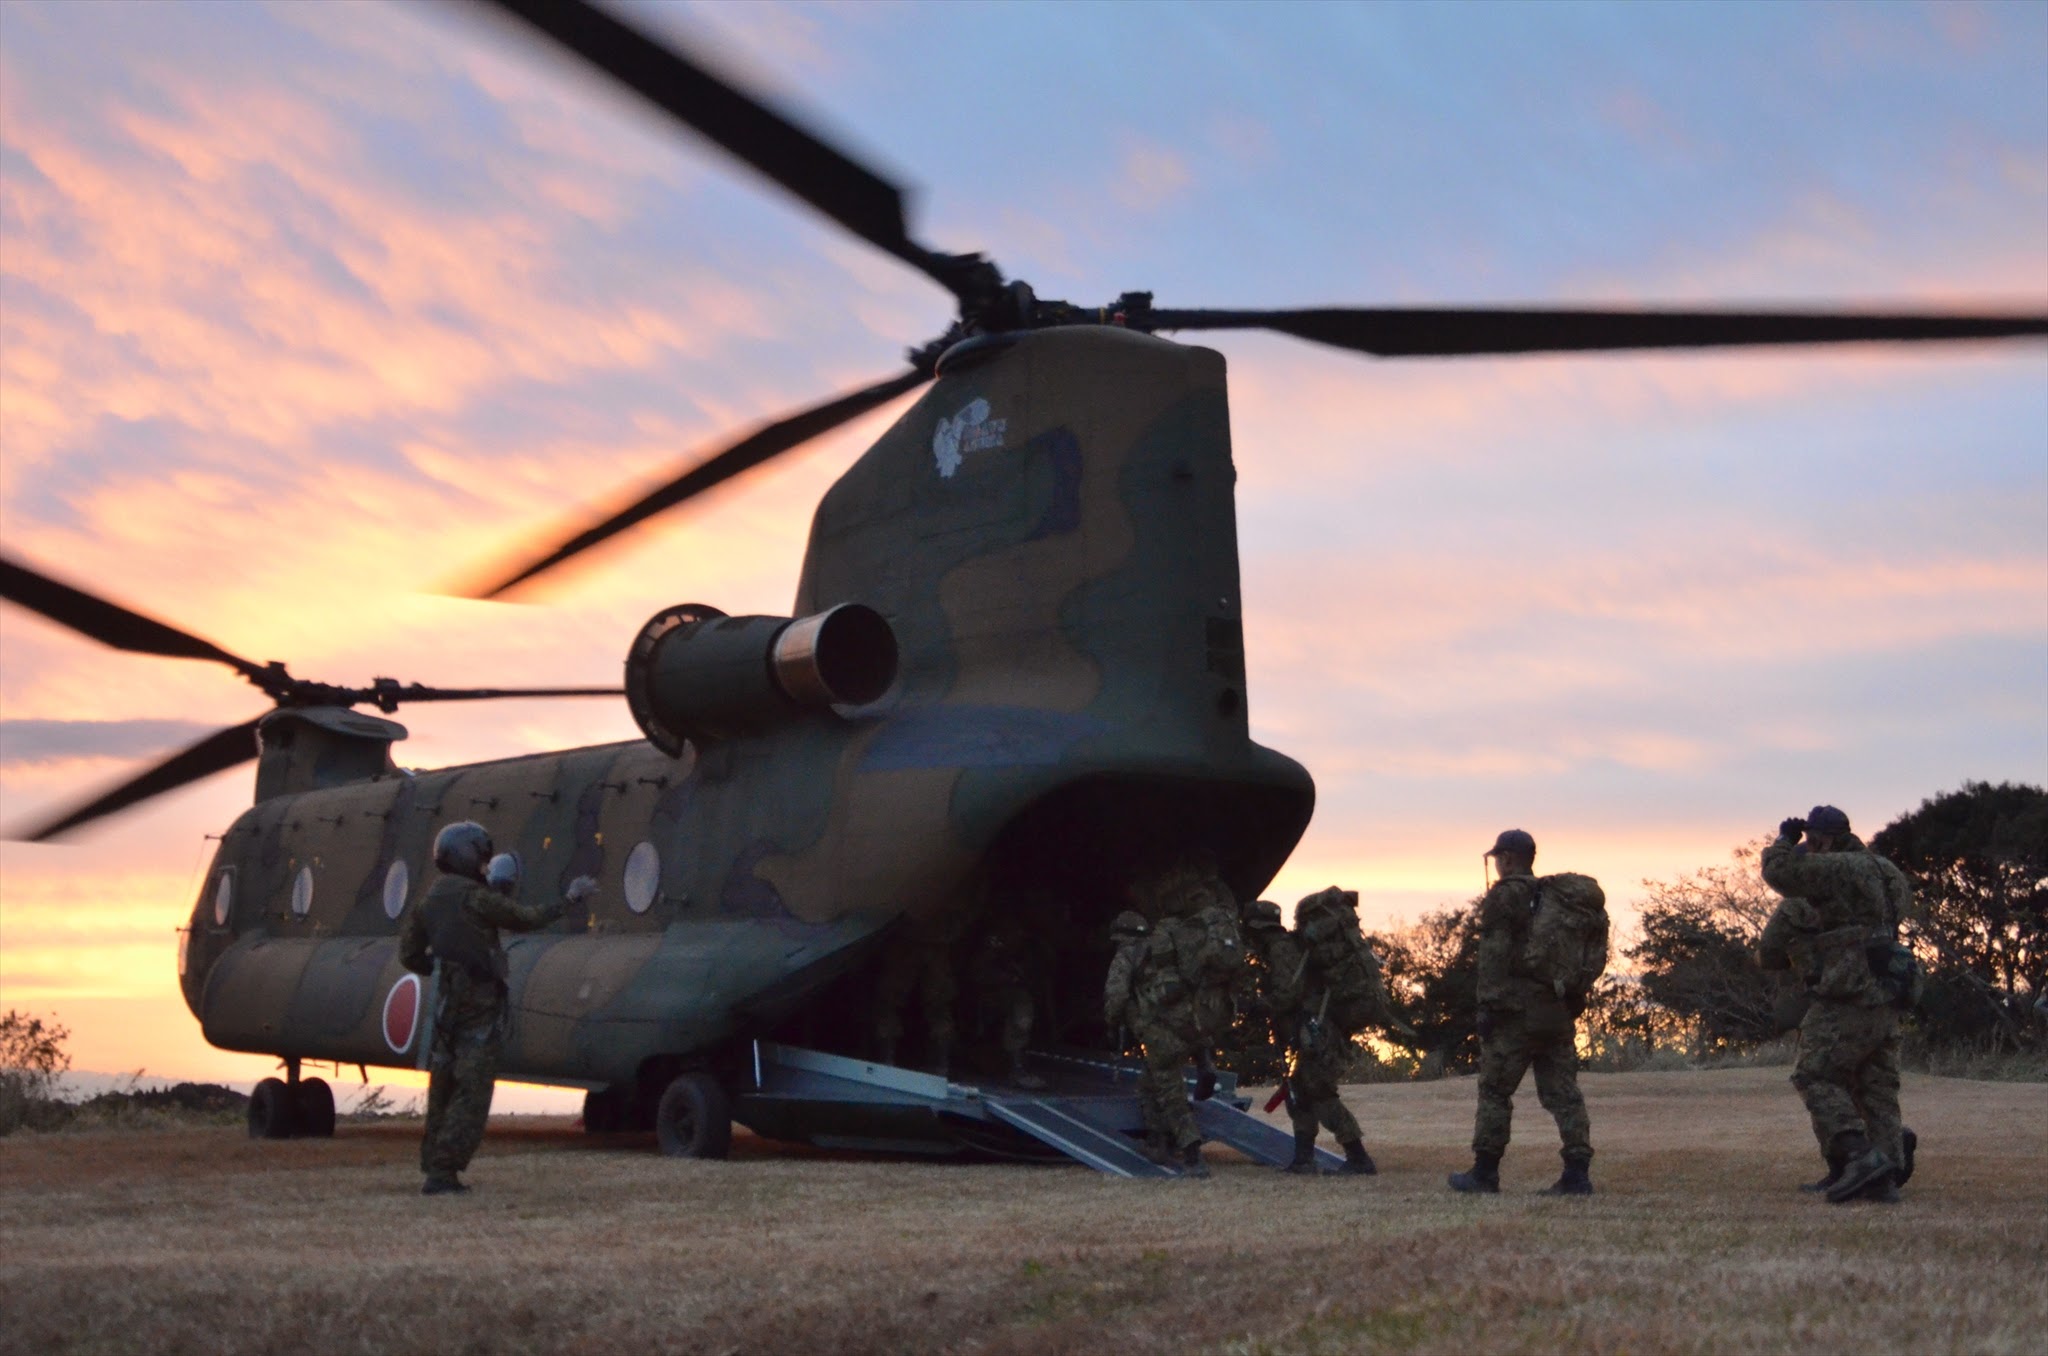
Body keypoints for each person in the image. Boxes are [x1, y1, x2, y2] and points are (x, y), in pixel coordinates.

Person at [399, 821, 596, 1196]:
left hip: (443, 1008)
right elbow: (525, 918)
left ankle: (435, 1167)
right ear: (469, 856)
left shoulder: (429, 902)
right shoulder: (476, 898)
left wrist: (443, 970)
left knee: (442, 1085)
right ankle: (443, 1171)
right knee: (472, 1089)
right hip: (478, 1006)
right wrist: (569, 900)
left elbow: (409, 955)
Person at [1758, 805, 1912, 1204]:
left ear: (1823, 839)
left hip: (1849, 986)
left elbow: (1780, 875)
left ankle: (1859, 1156)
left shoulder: (1840, 866)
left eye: (1812, 840)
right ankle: (1885, 1176)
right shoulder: (1886, 869)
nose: (1809, 846)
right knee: (1877, 1085)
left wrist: (1784, 842)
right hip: (1890, 985)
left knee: (1814, 1074)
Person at [1449, 829, 1598, 1196]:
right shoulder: (1555, 897)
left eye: (1498, 858)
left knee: (1495, 1090)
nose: (1497, 864)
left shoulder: (1506, 896)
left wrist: (1488, 1006)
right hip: (1556, 1009)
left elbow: (1494, 955)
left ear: (1509, 858)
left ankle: (1485, 1173)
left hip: (1516, 1013)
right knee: (1564, 1093)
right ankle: (1577, 1174)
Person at [1103, 908, 1208, 1178]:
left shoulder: (1126, 955)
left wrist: (1111, 1024)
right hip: (1186, 1027)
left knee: (1170, 1093)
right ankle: (1156, 1143)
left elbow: (1116, 995)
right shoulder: (1165, 953)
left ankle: (1194, 1155)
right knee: (1148, 1086)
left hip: (1158, 1034)